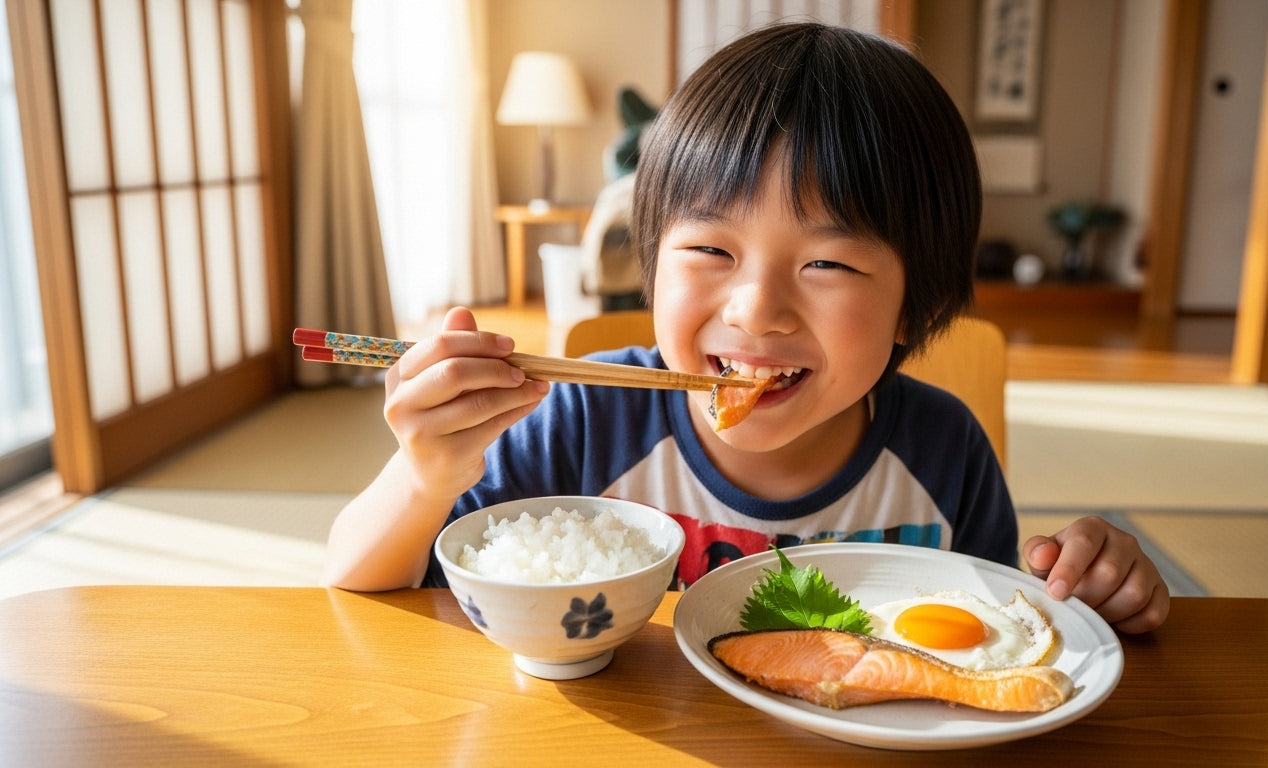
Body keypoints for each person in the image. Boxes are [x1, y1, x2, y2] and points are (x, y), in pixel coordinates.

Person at [322, 23, 1169, 634]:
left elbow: (997, 637)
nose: (756, 309)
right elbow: (365, 587)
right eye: (710, 250)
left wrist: (1095, 590)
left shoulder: (944, 451)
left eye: (827, 263)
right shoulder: (582, 420)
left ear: (915, 305)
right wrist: (425, 474)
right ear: (653, 264)